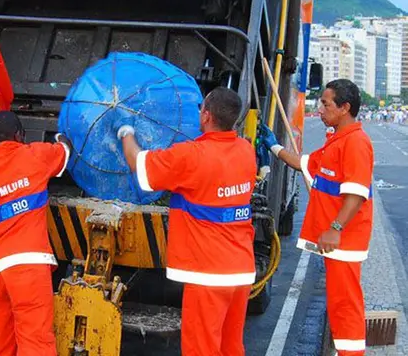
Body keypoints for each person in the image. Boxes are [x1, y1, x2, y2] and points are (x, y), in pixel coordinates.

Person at [115, 87, 257, 356]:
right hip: (240, 268)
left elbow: (137, 163)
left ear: (205, 115)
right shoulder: (245, 151)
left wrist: (125, 131)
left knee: (201, 349)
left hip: (208, 273)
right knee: (230, 347)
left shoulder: (191, 156)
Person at [258, 79, 373, 356]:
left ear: (345, 108)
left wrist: (335, 228)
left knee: (346, 308)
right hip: (338, 243)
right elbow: (304, 164)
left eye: (325, 103)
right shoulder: (337, 140)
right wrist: (274, 147)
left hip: (345, 241)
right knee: (338, 306)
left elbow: (356, 194)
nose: (319, 109)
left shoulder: (356, 143)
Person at [0, 111, 71, 356]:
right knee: (35, 344)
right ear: (19, 135)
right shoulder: (34, 154)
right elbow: (64, 152)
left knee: (1, 346)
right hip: (29, 268)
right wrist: (62, 135)